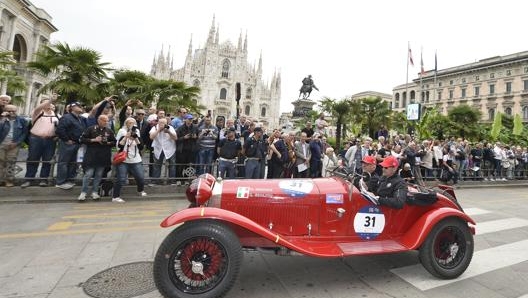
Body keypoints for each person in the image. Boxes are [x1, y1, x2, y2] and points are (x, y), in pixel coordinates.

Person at [21, 99, 60, 187]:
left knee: (47, 160)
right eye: (46, 102)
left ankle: (43, 179)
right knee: (33, 159)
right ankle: (29, 179)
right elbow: (38, 108)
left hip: (50, 140)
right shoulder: (37, 112)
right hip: (36, 139)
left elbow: (60, 128)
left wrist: (58, 136)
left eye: (50, 102)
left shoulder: (56, 115)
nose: (49, 104)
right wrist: (51, 99)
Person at [78, 115, 116, 201]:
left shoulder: (109, 131)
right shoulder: (91, 128)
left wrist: (107, 142)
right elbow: (82, 139)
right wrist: (93, 140)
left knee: (99, 175)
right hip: (92, 155)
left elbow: (114, 142)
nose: (106, 122)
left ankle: (95, 192)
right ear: (99, 120)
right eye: (104, 120)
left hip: (103, 156)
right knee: (88, 174)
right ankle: (83, 192)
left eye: (107, 121)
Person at [112, 117, 147, 203]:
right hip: (123, 160)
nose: (131, 124)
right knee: (121, 179)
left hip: (135, 159)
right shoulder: (122, 132)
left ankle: (140, 191)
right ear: (126, 124)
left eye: (133, 123)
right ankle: (115, 197)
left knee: (140, 178)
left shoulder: (137, 133)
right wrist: (126, 137)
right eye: (129, 123)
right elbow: (119, 147)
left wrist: (136, 138)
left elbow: (141, 147)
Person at [55, 102, 88, 189]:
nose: (80, 107)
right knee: (64, 162)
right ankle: (60, 182)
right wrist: (66, 140)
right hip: (68, 144)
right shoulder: (67, 117)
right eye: (78, 106)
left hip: (77, 143)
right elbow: (60, 129)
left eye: (81, 106)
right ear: (71, 108)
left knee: (73, 163)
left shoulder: (81, 118)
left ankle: (69, 180)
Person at [0, 105, 28, 187]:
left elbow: (24, 134)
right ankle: (1, 179)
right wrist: (2, 119)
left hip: (14, 144)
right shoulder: (2, 119)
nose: (11, 113)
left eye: (13, 111)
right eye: (9, 111)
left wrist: (16, 143)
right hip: (1, 143)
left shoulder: (22, 120)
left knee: (11, 162)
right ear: (5, 111)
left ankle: (9, 180)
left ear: (17, 111)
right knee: (0, 162)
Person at [149, 117, 178, 185]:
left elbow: (175, 138)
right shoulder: (155, 128)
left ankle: (172, 181)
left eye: (164, 123)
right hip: (158, 149)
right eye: (161, 123)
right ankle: (155, 181)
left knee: (172, 165)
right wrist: (159, 130)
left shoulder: (170, 128)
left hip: (170, 149)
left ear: (166, 123)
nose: (162, 124)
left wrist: (168, 132)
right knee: (157, 165)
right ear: (158, 123)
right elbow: (151, 137)